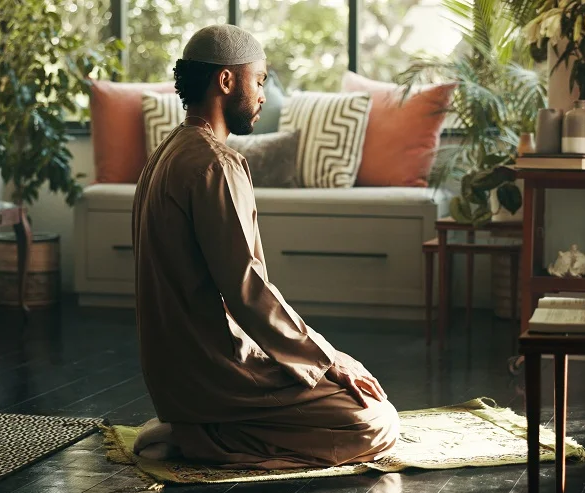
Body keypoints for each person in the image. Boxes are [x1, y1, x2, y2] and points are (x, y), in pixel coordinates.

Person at [130, 24, 400, 469]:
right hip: (216, 375)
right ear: (226, 80)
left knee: (347, 394)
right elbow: (247, 291)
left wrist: (320, 358)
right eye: (259, 80)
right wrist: (328, 359)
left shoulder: (165, 154)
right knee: (375, 421)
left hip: (172, 379)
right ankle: (197, 437)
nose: (261, 95)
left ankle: (192, 425)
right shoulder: (215, 163)